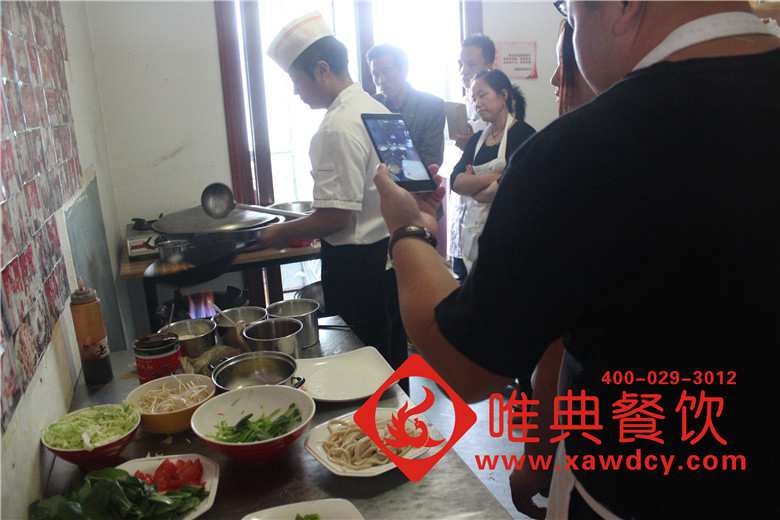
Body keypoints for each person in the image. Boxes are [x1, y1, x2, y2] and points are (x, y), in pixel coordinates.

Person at [373, 1, 779, 518]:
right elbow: (558, 343)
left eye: (567, 10)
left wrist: (407, 229)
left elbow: (470, 369)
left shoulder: (578, 151)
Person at [263, 13, 407, 373]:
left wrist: (278, 232)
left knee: (362, 367)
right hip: (392, 258)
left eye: (296, 80)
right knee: (391, 359)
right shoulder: (378, 110)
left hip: (357, 268)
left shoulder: (336, 127)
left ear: (322, 70)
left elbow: (335, 218)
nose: (296, 91)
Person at [509, 19, 596, 520]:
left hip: (604, 473)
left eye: (566, 64)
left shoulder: (570, 166)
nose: (555, 80)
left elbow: (554, 352)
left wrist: (407, 233)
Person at [450, 69, 535, 273]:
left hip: (507, 232)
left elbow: (515, 183)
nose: (477, 103)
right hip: (471, 231)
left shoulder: (523, 134)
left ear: (503, 95)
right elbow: (456, 181)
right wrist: (495, 177)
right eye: (474, 98)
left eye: (482, 95)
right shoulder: (475, 140)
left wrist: (474, 184)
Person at [451, 34, 496, 280]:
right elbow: (457, 178)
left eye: (471, 64)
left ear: (490, 65)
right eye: (461, 64)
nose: (464, 71)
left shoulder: (505, 113)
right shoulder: (464, 105)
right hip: (463, 217)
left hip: (486, 222)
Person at [367, 44, 445, 169]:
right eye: (375, 74)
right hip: (377, 176)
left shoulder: (432, 106)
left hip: (418, 178)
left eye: (386, 71)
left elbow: (432, 158)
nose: (381, 80)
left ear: (404, 70)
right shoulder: (371, 104)